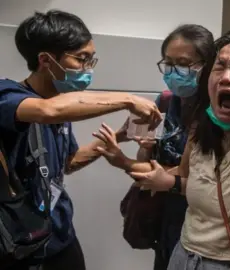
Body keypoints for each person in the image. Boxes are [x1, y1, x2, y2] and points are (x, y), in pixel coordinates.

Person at [96, 31, 230, 270]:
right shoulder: (198, 126)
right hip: (185, 254)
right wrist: (148, 167)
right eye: (220, 67)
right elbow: (188, 178)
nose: (226, 77)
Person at [0, 10, 161, 270]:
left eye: (91, 60)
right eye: (81, 59)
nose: (88, 69)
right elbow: (47, 112)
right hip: (19, 244)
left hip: (60, 236)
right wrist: (128, 99)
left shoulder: (62, 105)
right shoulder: (7, 95)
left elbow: (67, 163)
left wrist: (119, 137)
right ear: (45, 60)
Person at [112, 24, 214, 270]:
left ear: (208, 65)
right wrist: (145, 149)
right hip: (165, 215)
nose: (173, 71)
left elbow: (208, 180)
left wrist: (121, 161)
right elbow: (147, 159)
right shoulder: (166, 101)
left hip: (202, 222)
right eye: (168, 63)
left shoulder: (217, 112)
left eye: (183, 63)